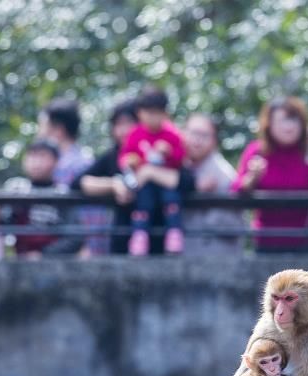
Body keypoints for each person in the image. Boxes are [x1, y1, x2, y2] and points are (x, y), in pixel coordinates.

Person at [71, 98, 195, 255]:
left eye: (128, 123)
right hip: (123, 241)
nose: (123, 130)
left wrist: (150, 172)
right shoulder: (113, 156)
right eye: (118, 124)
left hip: (160, 243)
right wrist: (115, 184)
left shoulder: (164, 152)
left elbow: (188, 182)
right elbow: (78, 182)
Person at [231, 96, 308, 254]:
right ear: (269, 125)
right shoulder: (256, 151)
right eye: (282, 121)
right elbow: (238, 190)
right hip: (267, 239)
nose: (289, 127)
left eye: (293, 120)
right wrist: (253, 177)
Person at [118, 86, 187, 255]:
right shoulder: (134, 135)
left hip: (165, 182)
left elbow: (181, 158)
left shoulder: (172, 135)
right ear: (140, 113)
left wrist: (169, 153)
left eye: (157, 113)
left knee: (172, 200)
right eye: (149, 113)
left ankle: (174, 234)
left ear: (165, 114)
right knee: (142, 204)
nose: (153, 118)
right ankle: (139, 236)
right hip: (145, 185)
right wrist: (130, 162)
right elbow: (124, 158)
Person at [38, 97, 111, 256]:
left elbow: (90, 213)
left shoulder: (73, 165)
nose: (40, 132)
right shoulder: (81, 160)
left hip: (79, 251)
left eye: (42, 126)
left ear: (58, 129)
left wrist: (88, 246)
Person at [1, 139, 83, 258]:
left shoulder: (62, 193)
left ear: (56, 162)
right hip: (20, 260)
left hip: (53, 263)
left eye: (42, 156)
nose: (36, 162)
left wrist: (43, 254)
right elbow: (3, 223)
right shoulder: (16, 189)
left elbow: (75, 237)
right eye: (32, 156)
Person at [182, 113, 244, 255]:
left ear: (214, 140)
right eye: (193, 133)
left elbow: (235, 225)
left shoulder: (225, 174)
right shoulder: (176, 166)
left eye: (204, 135)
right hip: (182, 256)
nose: (197, 140)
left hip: (217, 254)